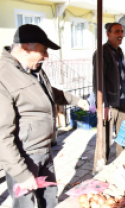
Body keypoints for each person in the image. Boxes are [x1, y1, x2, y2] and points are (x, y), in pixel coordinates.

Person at [0, 24, 89, 208]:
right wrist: (22, 174)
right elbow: (2, 137)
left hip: (44, 151)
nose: (47, 56)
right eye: (43, 51)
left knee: (49, 198)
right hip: (24, 157)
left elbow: (49, 93)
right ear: (25, 48)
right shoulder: (4, 76)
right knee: (27, 205)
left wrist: (75, 100)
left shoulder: (33, 69)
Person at [92, 23, 125, 159]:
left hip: (122, 102)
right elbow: (98, 80)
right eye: (117, 32)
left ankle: (122, 162)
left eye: (122, 31)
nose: (121, 35)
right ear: (108, 34)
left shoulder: (119, 51)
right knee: (105, 138)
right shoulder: (102, 52)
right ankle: (100, 167)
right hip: (109, 103)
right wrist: (103, 104)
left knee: (123, 135)